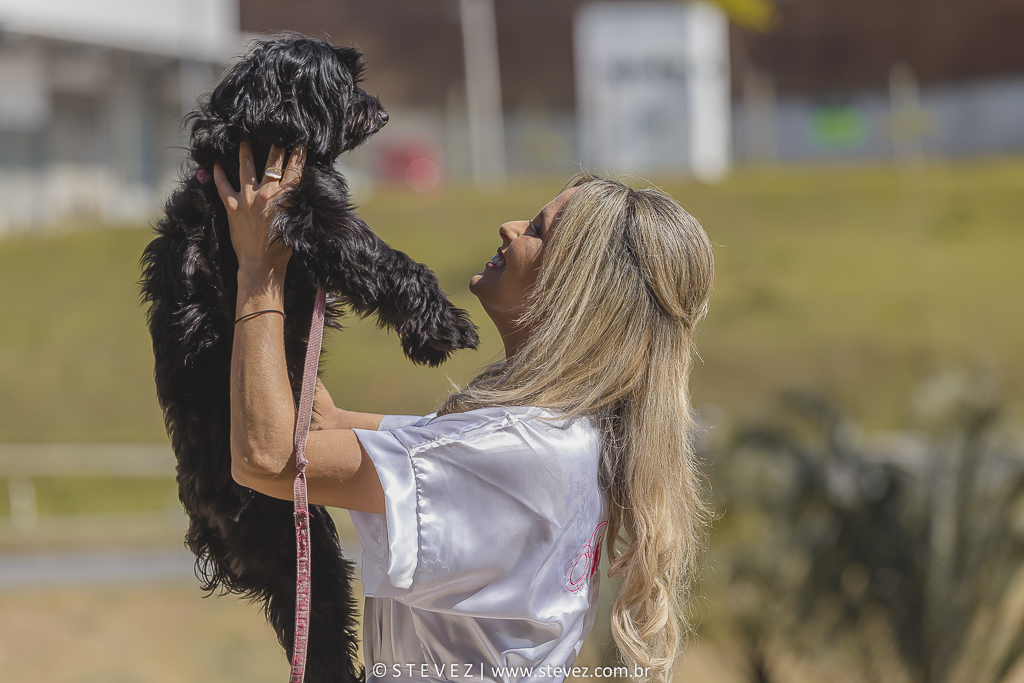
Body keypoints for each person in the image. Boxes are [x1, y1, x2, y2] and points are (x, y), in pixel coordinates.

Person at [215, 142, 714, 683]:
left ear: (579, 288)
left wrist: (258, 271)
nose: (509, 226)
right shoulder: (559, 436)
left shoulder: (518, 450)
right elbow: (324, 426)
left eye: (539, 232)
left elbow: (268, 458)